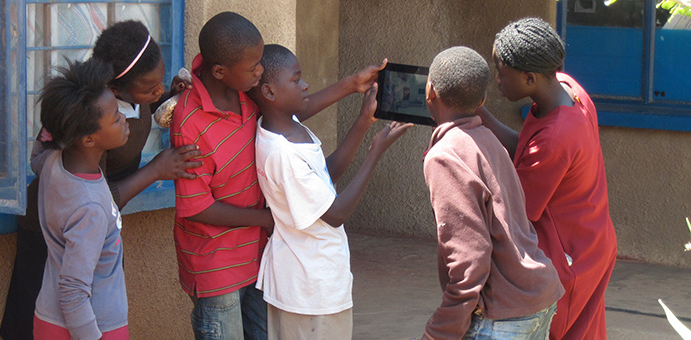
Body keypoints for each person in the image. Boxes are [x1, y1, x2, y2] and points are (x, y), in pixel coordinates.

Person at [170, 11, 389, 340]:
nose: (259, 72)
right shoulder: (190, 121)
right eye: (254, 67)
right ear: (220, 71)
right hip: (216, 264)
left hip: (259, 258)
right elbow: (197, 207)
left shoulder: (243, 90)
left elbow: (290, 108)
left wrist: (351, 85)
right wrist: (265, 219)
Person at [0, 20, 201, 340]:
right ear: (115, 90)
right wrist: (155, 170)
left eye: (161, 80)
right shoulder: (92, 123)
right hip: (59, 223)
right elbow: (95, 196)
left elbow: (144, 104)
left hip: (93, 224)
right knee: (45, 317)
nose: (157, 90)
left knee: (88, 305)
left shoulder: (122, 106)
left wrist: (166, 96)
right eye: (149, 87)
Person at [248, 44, 411, 340]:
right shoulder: (283, 153)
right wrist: (375, 153)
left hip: (307, 282)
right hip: (311, 289)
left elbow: (326, 176)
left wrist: (364, 122)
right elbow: (335, 214)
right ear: (269, 92)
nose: (305, 85)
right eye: (296, 80)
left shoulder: (287, 128)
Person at [477, 18, 618, 340]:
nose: (497, 81)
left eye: (502, 73)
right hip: (592, 239)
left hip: (569, 259)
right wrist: (480, 114)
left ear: (529, 78)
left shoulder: (555, 139)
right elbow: (527, 150)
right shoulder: (566, 89)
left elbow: (518, 209)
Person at [420, 46, 564, 340]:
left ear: (430, 90)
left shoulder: (444, 156)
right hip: (538, 295)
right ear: (483, 101)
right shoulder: (488, 139)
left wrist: (441, 331)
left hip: (503, 316)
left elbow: (470, 257)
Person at [30, 58, 129, 339]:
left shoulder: (51, 164)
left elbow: (36, 155)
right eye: (115, 117)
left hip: (47, 318)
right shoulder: (91, 207)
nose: (123, 119)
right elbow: (73, 292)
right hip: (94, 326)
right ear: (88, 139)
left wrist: (54, 121)